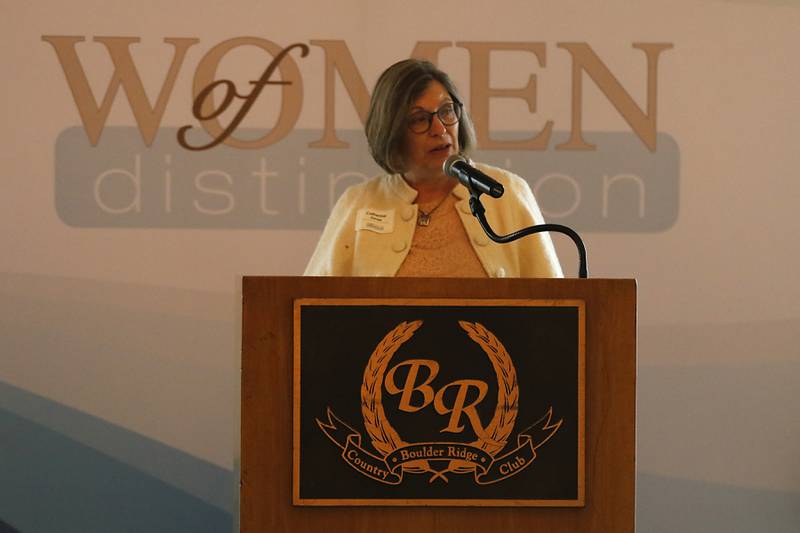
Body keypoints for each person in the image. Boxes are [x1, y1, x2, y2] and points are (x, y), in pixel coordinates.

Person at [304, 59, 563, 278]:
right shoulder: (359, 202)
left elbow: (557, 309)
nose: (440, 129)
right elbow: (311, 309)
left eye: (446, 111)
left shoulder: (506, 191)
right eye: (419, 119)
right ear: (391, 130)